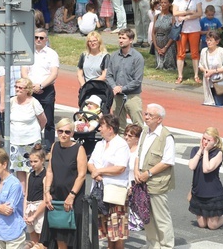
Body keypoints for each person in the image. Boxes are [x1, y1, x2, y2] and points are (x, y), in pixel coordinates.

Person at [134, 104, 176, 248]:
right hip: (142, 180)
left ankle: (166, 245)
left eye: (150, 115)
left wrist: (148, 173)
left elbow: (167, 162)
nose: (146, 117)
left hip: (157, 182)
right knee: (147, 216)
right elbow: (138, 154)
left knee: (161, 217)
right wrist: (136, 170)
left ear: (159, 119)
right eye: (146, 114)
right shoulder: (145, 131)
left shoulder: (166, 136)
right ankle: (152, 244)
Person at [42, 118, 87, 249]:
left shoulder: (79, 149)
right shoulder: (55, 146)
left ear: (72, 133)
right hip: (56, 196)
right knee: (57, 235)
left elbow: (82, 175)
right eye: (60, 131)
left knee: (71, 236)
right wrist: (47, 192)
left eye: (67, 132)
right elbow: (50, 170)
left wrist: (71, 195)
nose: (63, 134)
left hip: (73, 197)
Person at [88, 115, 131, 248]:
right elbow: (90, 163)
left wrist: (99, 171)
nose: (99, 129)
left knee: (117, 231)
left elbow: (120, 168)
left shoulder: (121, 144)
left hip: (115, 193)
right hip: (100, 191)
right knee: (106, 228)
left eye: (102, 126)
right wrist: (95, 172)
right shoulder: (99, 144)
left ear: (110, 129)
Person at [187, 127, 223, 230]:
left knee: (212, 225)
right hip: (198, 192)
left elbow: (207, 168)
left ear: (215, 141)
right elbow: (192, 166)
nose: (205, 142)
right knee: (202, 224)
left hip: (212, 193)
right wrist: (201, 150)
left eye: (208, 140)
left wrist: (206, 151)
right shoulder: (196, 150)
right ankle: (208, 214)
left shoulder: (218, 153)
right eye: (204, 138)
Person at [20, 28, 58, 149]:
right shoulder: (27, 52)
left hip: (46, 90)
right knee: (29, 118)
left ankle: (48, 148)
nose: (38, 40)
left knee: (48, 121)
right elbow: (24, 72)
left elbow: (54, 73)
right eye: (36, 37)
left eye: (41, 38)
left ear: (46, 40)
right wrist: (32, 86)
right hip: (30, 89)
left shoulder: (52, 54)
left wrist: (41, 85)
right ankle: (31, 145)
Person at [0, 147, 27, 249]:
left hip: (13, 233)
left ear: (4, 164)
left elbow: (8, 211)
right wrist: (0, 207)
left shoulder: (14, 184)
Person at [9, 78, 46, 190]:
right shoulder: (11, 101)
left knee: (31, 168)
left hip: (31, 141)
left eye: (21, 87)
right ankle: (23, 192)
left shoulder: (34, 102)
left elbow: (43, 120)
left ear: (27, 90)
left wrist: (36, 134)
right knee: (19, 167)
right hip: (15, 141)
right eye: (16, 87)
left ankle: (32, 192)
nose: (17, 89)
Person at [105, 29, 144, 134]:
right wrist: (114, 87)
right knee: (119, 126)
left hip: (132, 96)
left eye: (124, 38)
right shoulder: (114, 56)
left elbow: (137, 80)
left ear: (131, 40)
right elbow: (109, 75)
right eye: (120, 38)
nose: (121, 40)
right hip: (118, 96)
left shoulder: (137, 58)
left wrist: (122, 88)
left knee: (138, 126)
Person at [199, 31, 223, 107]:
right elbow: (200, 65)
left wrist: (212, 72)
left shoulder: (222, 51)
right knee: (210, 101)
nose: (208, 42)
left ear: (217, 41)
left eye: (211, 40)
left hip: (219, 80)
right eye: (207, 40)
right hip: (208, 81)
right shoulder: (204, 51)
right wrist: (205, 71)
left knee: (219, 103)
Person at [24, 144, 47, 244]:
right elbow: (26, 195)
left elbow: (45, 199)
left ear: (42, 160)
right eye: (31, 162)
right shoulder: (30, 175)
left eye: (35, 161)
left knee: (40, 234)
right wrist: (25, 211)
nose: (33, 164)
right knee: (32, 234)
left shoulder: (45, 176)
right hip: (30, 206)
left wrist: (34, 215)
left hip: (39, 207)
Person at [151, 0, 177, 70]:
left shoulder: (172, 17)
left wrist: (165, 47)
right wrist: (156, 46)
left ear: (169, 4)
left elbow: (173, 34)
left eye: (165, 2)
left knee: (169, 66)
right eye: (161, 2)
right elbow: (153, 32)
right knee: (159, 65)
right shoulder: (157, 16)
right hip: (158, 41)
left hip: (168, 42)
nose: (163, 4)